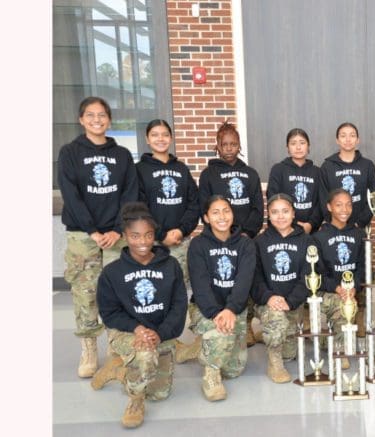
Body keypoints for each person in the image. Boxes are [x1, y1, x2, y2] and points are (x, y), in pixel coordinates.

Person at [58, 96, 139, 378]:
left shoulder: (122, 155)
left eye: (102, 115)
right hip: (83, 235)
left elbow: (130, 194)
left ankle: (118, 346)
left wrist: (117, 229)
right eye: (90, 115)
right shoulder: (69, 153)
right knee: (85, 292)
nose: (96, 120)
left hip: (118, 234)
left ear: (109, 119)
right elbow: (71, 195)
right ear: (81, 120)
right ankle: (89, 348)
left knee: (121, 291)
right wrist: (92, 230)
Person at [94, 202, 187, 428]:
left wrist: (161, 332)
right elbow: (109, 313)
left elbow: (179, 306)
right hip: (128, 333)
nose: (142, 242)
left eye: (148, 235)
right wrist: (137, 329)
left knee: (160, 393)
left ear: (154, 235)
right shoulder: (112, 272)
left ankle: (118, 369)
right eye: (135, 236)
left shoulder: (171, 265)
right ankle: (135, 401)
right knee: (145, 357)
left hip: (161, 334)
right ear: (125, 236)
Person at [198, 120, 264, 347]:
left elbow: (258, 208)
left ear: (239, 146)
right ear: (217, 145)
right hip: (220, 240)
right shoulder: (208, 175)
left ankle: (245, 323)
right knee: (225, 279)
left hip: (244, 239)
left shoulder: (250, 174)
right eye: (224, 144)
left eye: (233, 144)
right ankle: (221, 317)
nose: (228, 148)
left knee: (246, 280)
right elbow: (204, 207)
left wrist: (246, 233)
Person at [187, 195, 256, 401]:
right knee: (222, 338)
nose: (222, 216)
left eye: (226, 210)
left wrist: (231, 309)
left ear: (232, 214)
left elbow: (244, 282)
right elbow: (200, 286)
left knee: (234, 370)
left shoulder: (245, 244)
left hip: (235, 308)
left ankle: (198, 348)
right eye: (215, 212)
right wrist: (216, 313)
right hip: (207, 308)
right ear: (206, 218)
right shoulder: (198, 245)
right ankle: (211, 375)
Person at [253, 193, 315, 383]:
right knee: (276, 321)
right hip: (268, 303)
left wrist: (291, 301)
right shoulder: (259, 242)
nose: (280, 216)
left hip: (293, 303)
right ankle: (274, 363)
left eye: (285, 211)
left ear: (293, 213)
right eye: (275, 212)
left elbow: (308, 275)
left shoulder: (306, 241)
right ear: (269, 215)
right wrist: (269, 297)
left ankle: (270, 334)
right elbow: (256, 278)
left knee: (290, 353)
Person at [135, 119, 200, 283]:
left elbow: (194, 203)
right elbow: (139, 208)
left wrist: (181, 231)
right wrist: (161, 234)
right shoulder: (139, 170)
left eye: (165, 135)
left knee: (180, 287)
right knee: (155, 287)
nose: (160, 139)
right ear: (147, 139)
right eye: (155, 135)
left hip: (180, 241)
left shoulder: (181, 168)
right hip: (151, 242)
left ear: (171, 138)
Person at [311, 189, 366, 369]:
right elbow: (316, 273)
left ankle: (340, 344)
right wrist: (337, 288)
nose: (345, 209)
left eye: (349, 204)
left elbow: (361, 266)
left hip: (350, 290)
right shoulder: (318, 237)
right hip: (329, 290)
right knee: (342, 305)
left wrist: (354, 287)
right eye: (339, 205)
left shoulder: (358, 234)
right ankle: (339, 347)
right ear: (329, 207)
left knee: (347, 304)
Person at [319, 122, 375, 228]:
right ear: (337, 140)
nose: (348, 139)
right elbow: (323, 198)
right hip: (335, 226)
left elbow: (373, 197)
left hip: (360, 227)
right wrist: (332, 221)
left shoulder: (368, 165)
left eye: (352, 135)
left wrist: (360, 222)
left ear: (358, 140)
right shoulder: (327, 166)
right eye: (343, 136)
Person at [267, 128, 323, 234]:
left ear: (308, 146)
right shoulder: (278, 169)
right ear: (287, 147)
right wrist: (292, 224)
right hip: (283, 229)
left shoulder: (317, 172)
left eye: (302, 143)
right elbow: (272, 198)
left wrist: (310, 224)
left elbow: (321, 203)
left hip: (311, 231)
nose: (298, 147)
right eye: (293, 143)